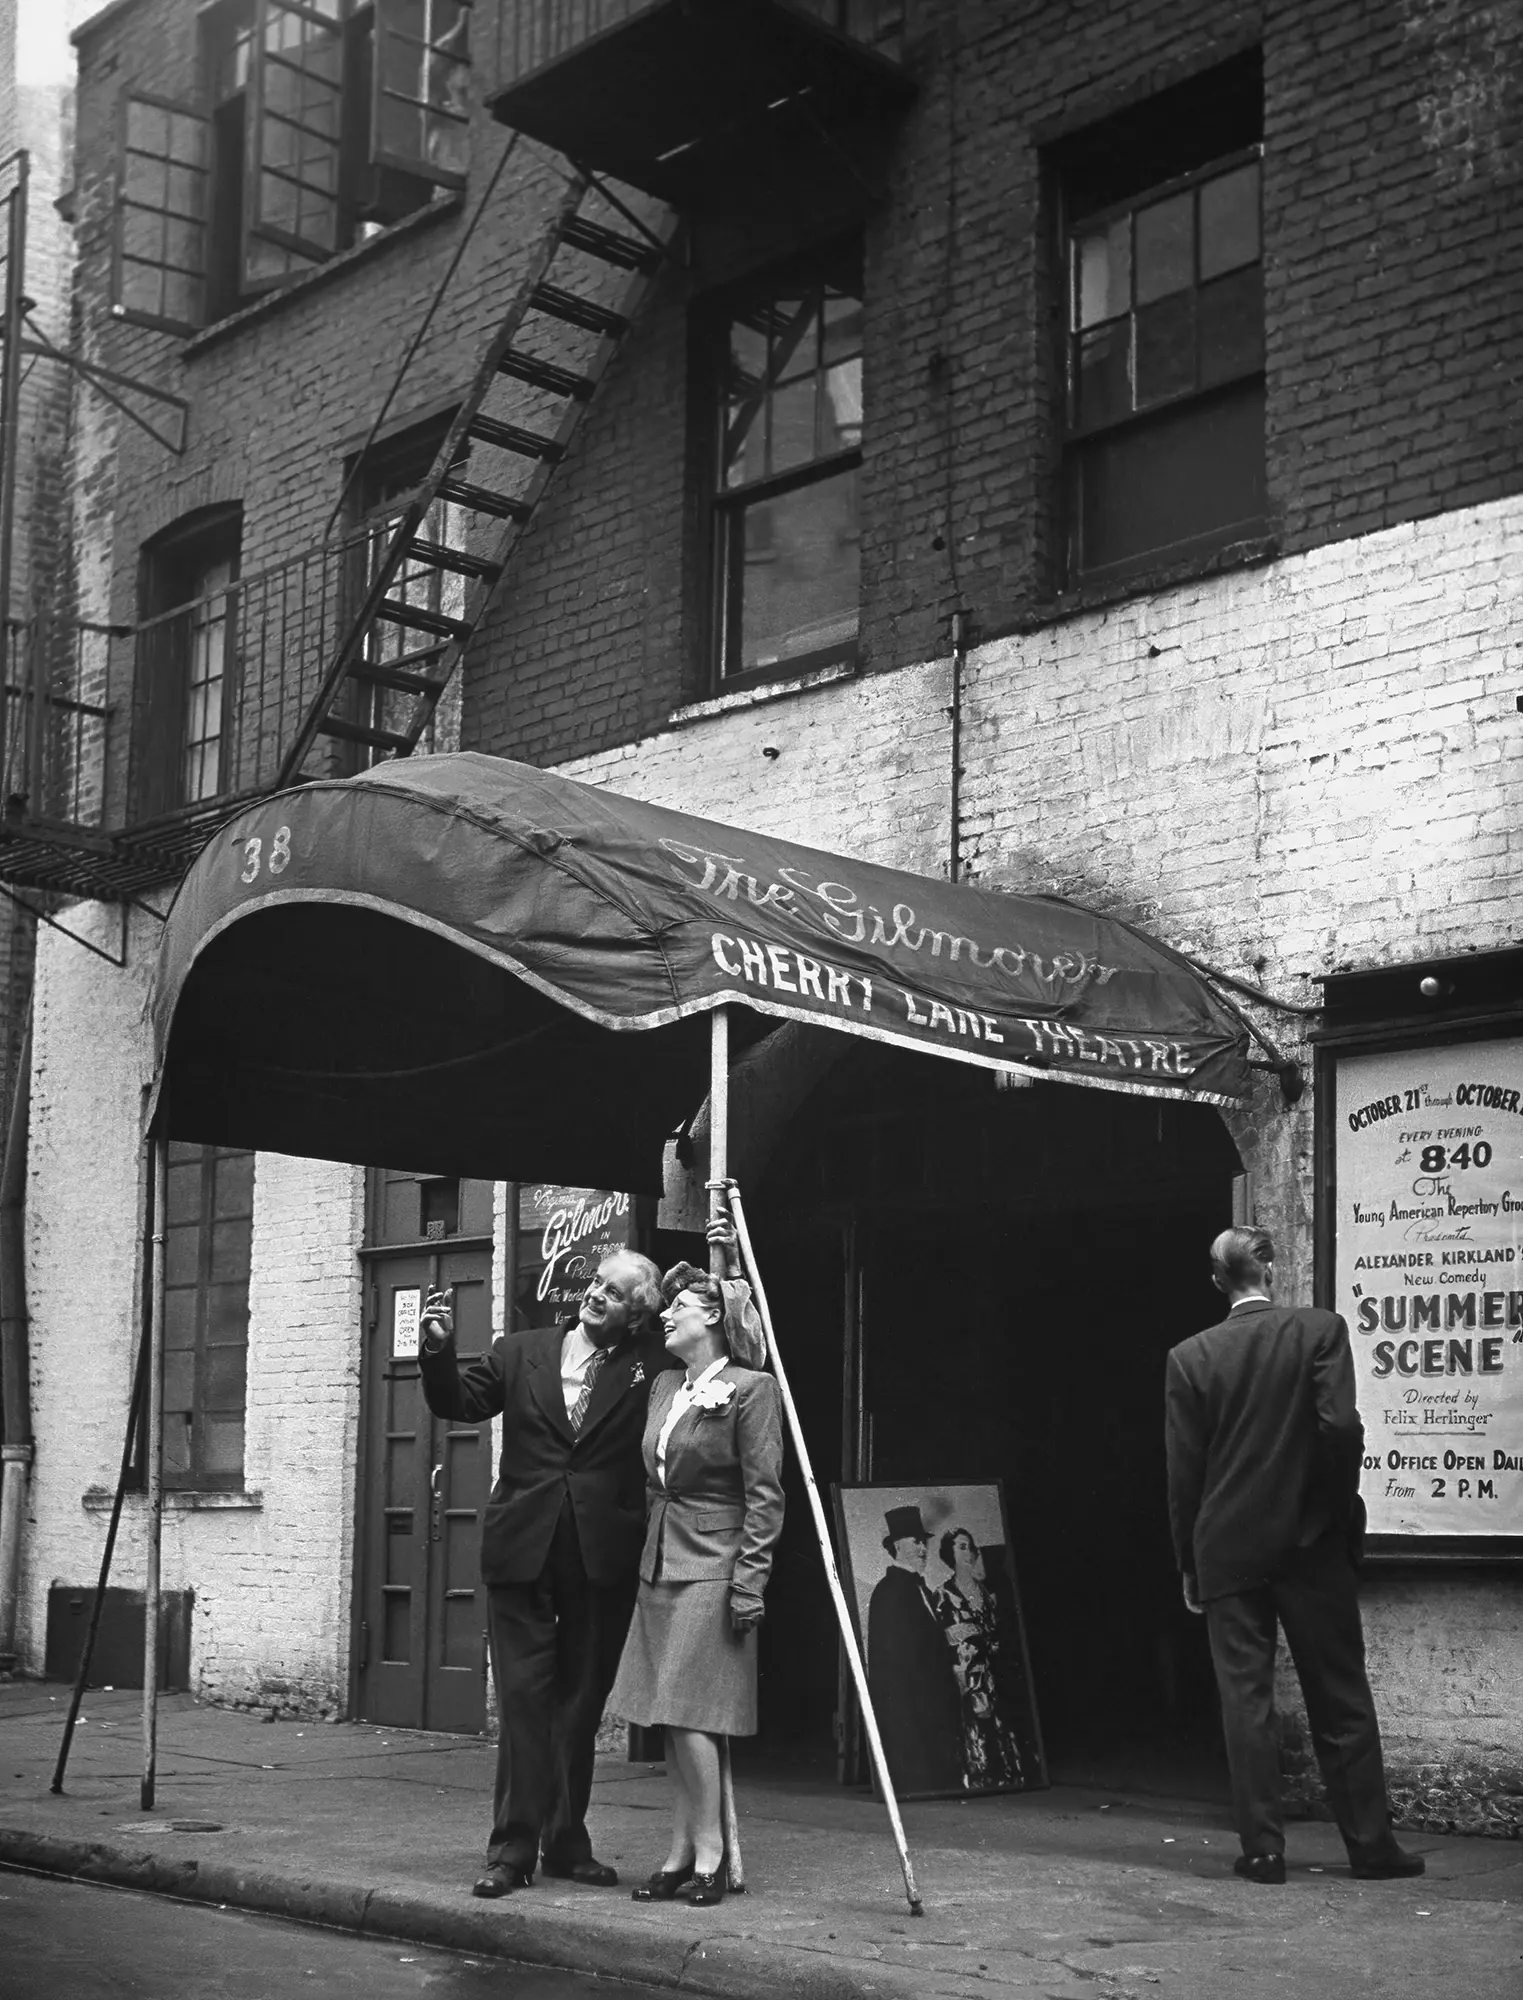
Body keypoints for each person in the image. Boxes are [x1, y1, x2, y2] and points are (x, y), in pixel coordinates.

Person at [1165, 1225, 1425, 1886]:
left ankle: (1262, 1851)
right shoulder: (1318, 1331)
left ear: (1217, 1281)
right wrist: (1333, 1514)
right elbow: (1338, 1427)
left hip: (1225, 1546)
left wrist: (1189, 1561)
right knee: (1338, 1696)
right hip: (1310, 1544)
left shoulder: (1189, 1357)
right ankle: (1369, 1847)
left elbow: (1183, 1475)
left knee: (1244, 1704)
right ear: (1270, 1271)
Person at [417, 1247, 672, 1898]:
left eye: (614, 1293)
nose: (595, 1295)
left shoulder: (654, 1367)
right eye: (595, 1283)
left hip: (601, 1553)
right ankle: (511, 1850)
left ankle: (565, 1842)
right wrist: (437, 1352)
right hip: (523, 1546)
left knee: (581, 1704)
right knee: (526, 1702)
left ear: (637, 1314)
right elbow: (460, 1403)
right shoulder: (519, 1349)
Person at [610, 1232, 784, 1909]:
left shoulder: (749, 1389)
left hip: (713, 1564)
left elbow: (764, 1495)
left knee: (691, 1717)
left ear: (712, 1317)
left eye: (679, 1304)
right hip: (659, 1561)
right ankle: (678, 1850)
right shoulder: (662, 1386)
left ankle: (709, 1853)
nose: (666, 1314)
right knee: (664, 1716)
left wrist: (750, 1580)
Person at [866, 1504, 964, 1797]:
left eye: (924, 1542)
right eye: (916, 1542)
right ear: (897, 1546)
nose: (924, 1549)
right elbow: (894, 1661)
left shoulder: (920, 1588)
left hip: (932, 1703)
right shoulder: (888, 1592)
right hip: (912, 1706)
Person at [934, 1527, 1025, 1791]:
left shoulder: (987, 1594)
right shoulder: (943, 1595)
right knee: (974, 1733)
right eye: (961, 1547)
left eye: (971, 1547)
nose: (969, 1552)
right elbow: (950, 1639)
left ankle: (1007, 1779)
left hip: (995, 1677)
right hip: (968, 1679)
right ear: (949, 1554)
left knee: (1002, 1729)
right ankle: (977, 1780)